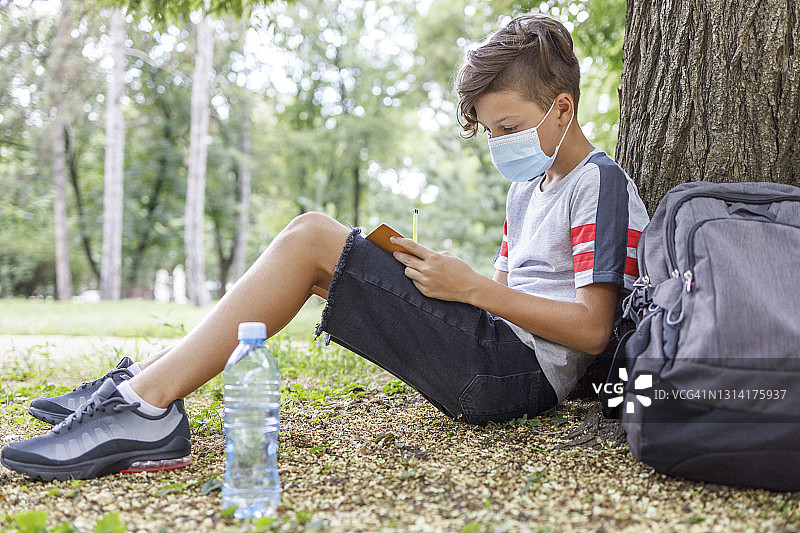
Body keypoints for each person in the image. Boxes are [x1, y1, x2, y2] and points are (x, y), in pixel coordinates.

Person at [1, 13, 649, 481]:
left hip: (519, 377)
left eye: (507, 127)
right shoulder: (528, 189)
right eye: (488, 131)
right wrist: (440, 279)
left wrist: (471, 288)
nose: (496, 143)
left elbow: (593, 329)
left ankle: (142, 409)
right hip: (496, 348)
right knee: (315, 251)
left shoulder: (600, 184)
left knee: (313, 235)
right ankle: (142, 385)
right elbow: (510, 297)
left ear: (562, 110)